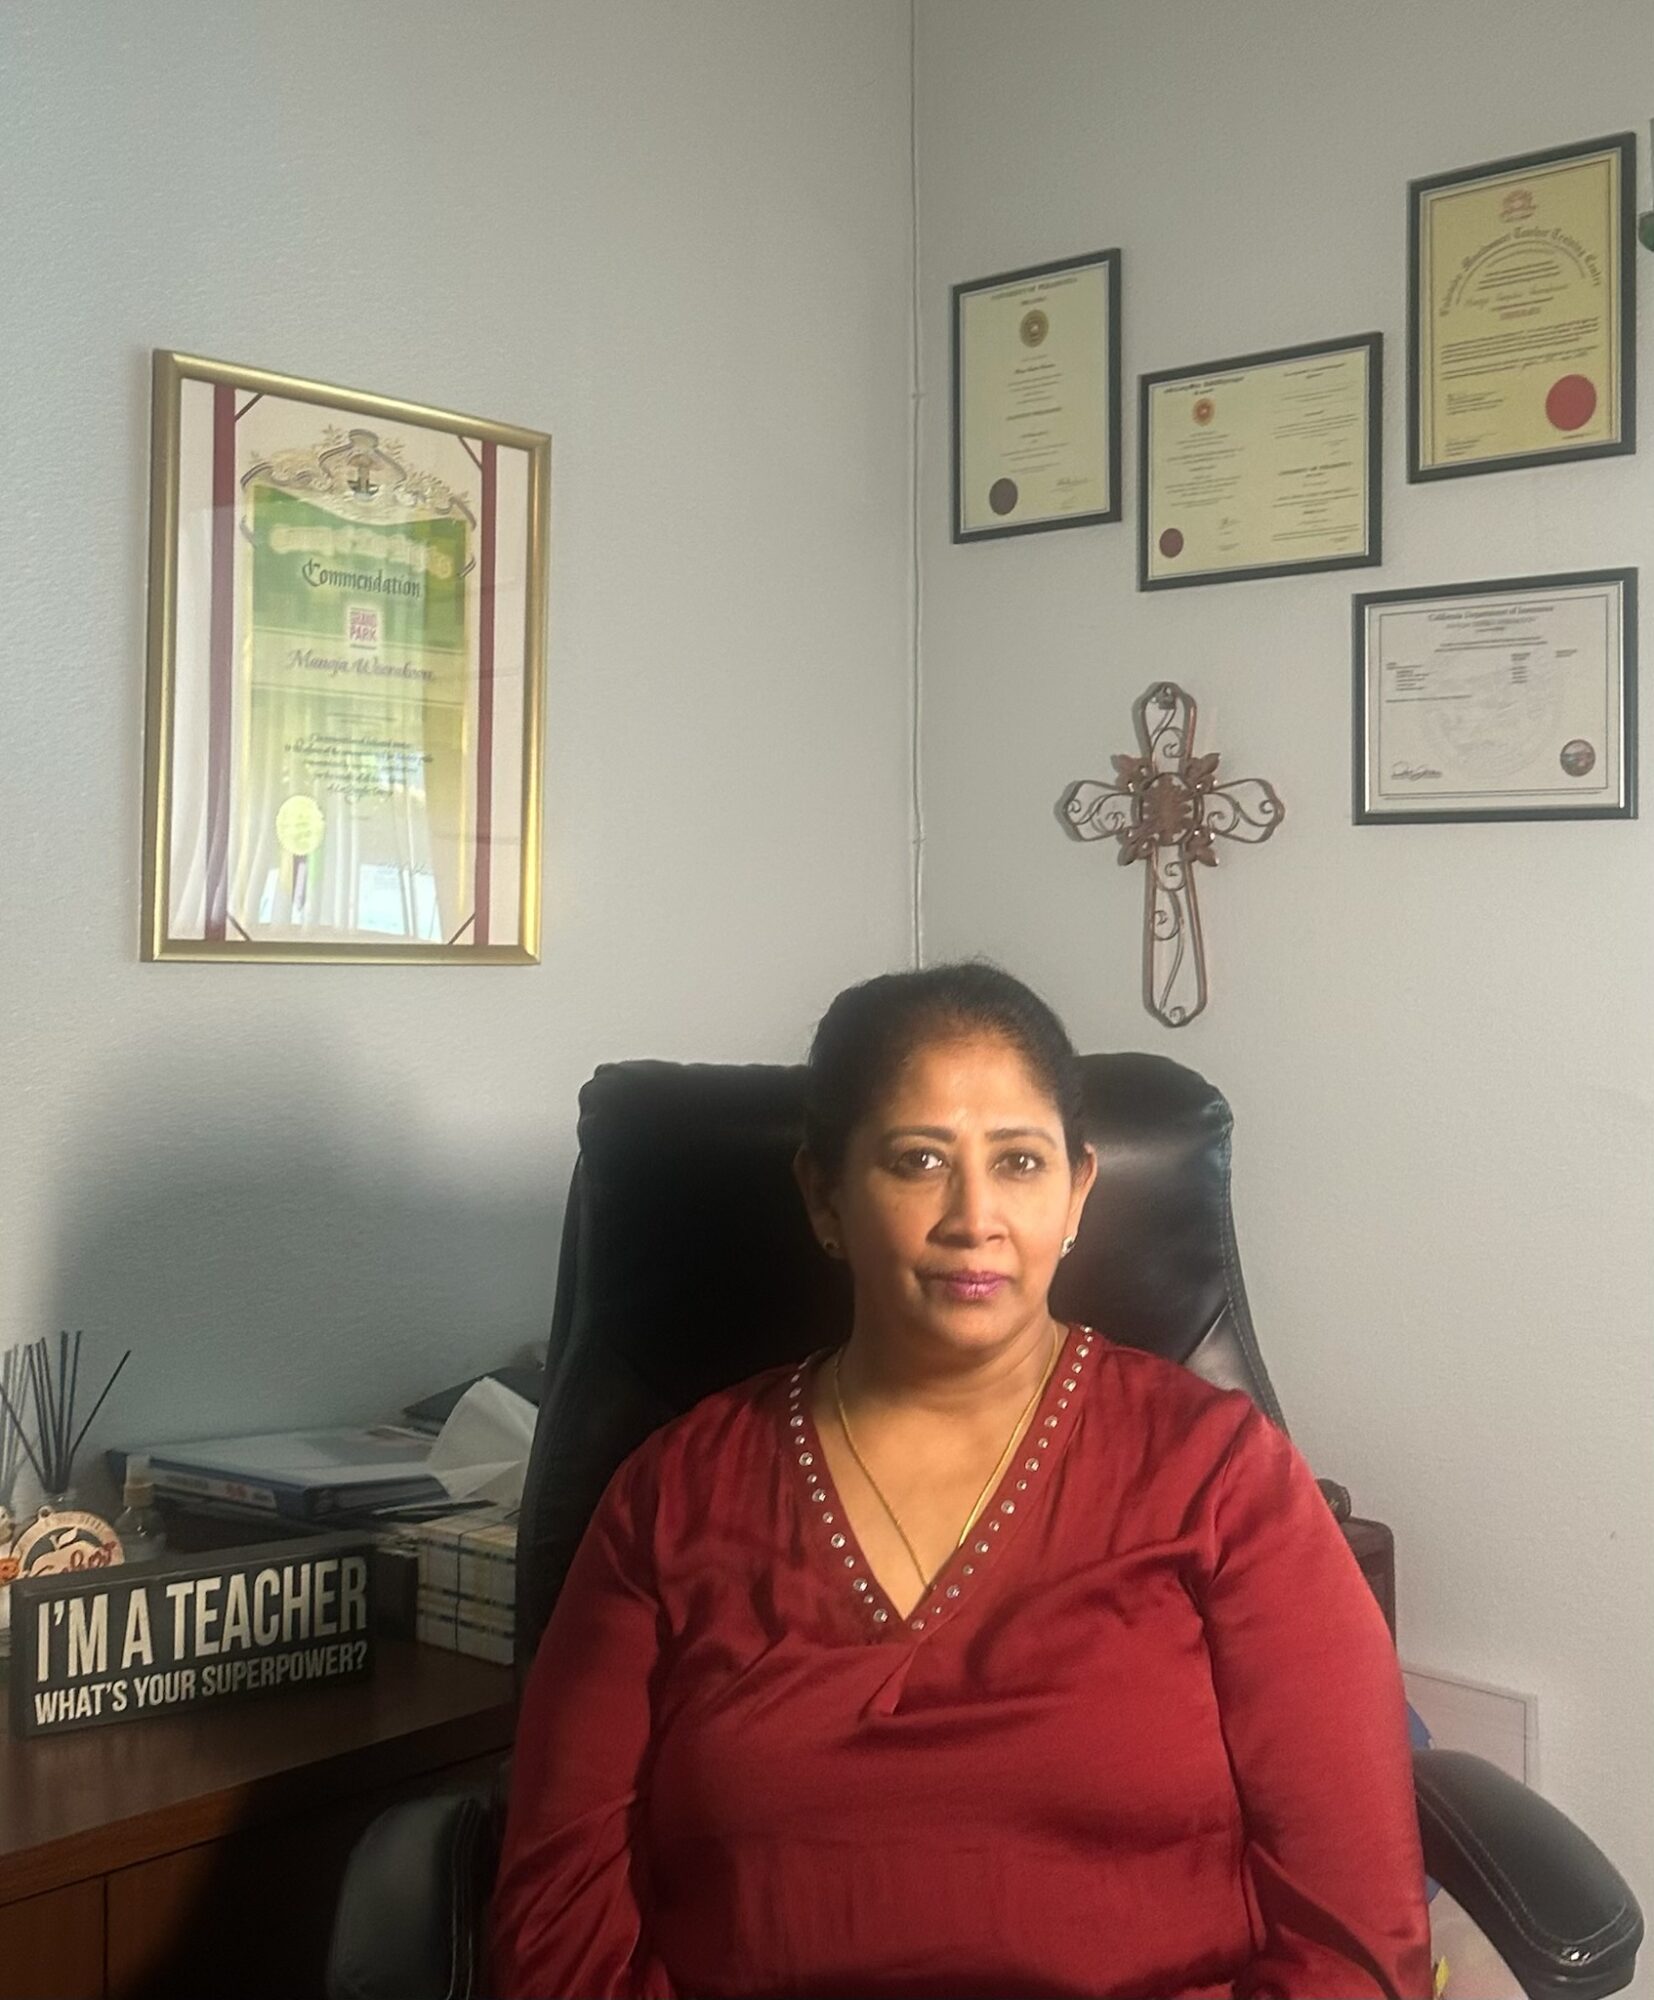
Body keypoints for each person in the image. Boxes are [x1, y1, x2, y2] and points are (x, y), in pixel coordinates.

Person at [491, 963, 1433, 1999]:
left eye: (1019, 1162)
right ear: (825, 1194)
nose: (972, 1215)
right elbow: (556, 1924)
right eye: (917, 1160)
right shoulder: (672, 1493)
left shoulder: (1219, 1473)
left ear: (1076, 1193)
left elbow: (1353, 1932)